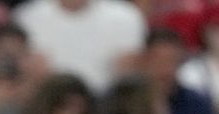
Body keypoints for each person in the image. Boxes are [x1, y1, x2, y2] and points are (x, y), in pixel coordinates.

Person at [14, 0, 146, 93]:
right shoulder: (27, 16)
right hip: (46, 105)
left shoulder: (125, 17)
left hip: (108, 109)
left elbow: (128, 78)